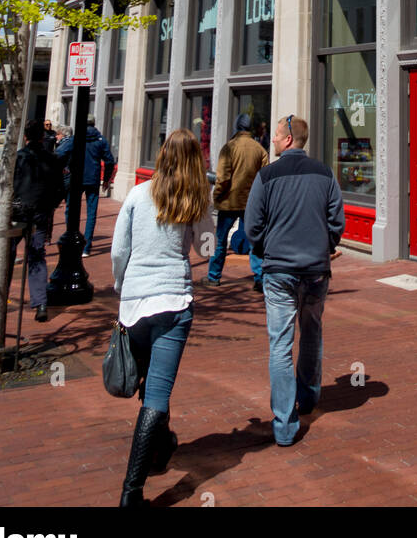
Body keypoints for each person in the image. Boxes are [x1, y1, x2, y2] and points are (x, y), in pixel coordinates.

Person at [111, 127, 215, 507]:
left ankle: (159, 447)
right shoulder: (194, 200)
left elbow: (120, 249)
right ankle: (131, 491)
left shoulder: (138, 194)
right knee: (156, 392)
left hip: (136, 302)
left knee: (151, 383)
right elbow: (207, 249)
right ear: (194, 162)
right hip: (173, 302)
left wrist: (121, 283)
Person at [244, 114, 345, 446]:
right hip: (316, 271)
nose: (271, 141)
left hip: (280, 272)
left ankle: (285, 422)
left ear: (288, 139)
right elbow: (336, 220)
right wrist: (326, 246)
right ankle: (309, 396)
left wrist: (264, 249)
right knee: (312, 332)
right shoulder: (325, 173)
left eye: (275, 136)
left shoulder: (267, 175)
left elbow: (252, 227)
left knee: (281, 344)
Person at [7, 120, 66, 322]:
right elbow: (61, 188)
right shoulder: (52, 159)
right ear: (42, 137)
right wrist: (50, 205)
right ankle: (40, 302)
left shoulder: (18, 158)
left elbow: (6, 186)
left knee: (8, 254)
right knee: (37, 256)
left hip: (18, 213)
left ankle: (1, 297)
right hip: (40, 213)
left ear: (25, 137)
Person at [207, 113, 268, 289]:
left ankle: (213, 277)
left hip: (229, 202)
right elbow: (264, 178)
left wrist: (217, 195)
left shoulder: (229, 148)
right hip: (251, 203)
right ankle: (259, 278)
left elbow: (223, 177)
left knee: (219, 241)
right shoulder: (259, 149)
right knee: (255, 241)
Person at [58, 114, 116, 256]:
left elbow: (59, 153)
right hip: (93, 178)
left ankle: (73, 237)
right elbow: (109, 161)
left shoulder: (75, 139)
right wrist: (107, 179)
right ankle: (86, 247)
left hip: (76, 178)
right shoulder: (100, 140)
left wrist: (65, 167)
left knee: (71, 210)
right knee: (91, 213)